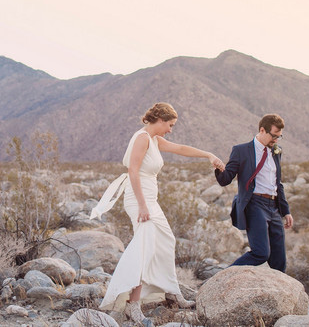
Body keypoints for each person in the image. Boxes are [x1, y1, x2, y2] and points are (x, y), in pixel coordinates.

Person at [90, 102, 224, 323]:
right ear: (160, 120)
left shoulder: (153, 139)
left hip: (151, 200)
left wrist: (208, 155)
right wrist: (142, 206)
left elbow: (180, 149)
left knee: (166, 240)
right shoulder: (142, 138)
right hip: (139, 200)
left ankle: (171, 291)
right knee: (144, 249)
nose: (170, 130)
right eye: (169, 125)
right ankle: (132, 305)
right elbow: (132, 171)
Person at [215, 113, 293, 271]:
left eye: (279, 136)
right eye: (274, 135)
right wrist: (219, 168)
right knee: (261, 253)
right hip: (255, 205)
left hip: (274, 207)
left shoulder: (276, 151)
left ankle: (278, 293)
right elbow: (225, 179)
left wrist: (286, 211)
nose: (276, 140)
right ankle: (222, 278)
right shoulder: (241, 150)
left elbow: (278, 183)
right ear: (262, 130)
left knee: (279, 260)